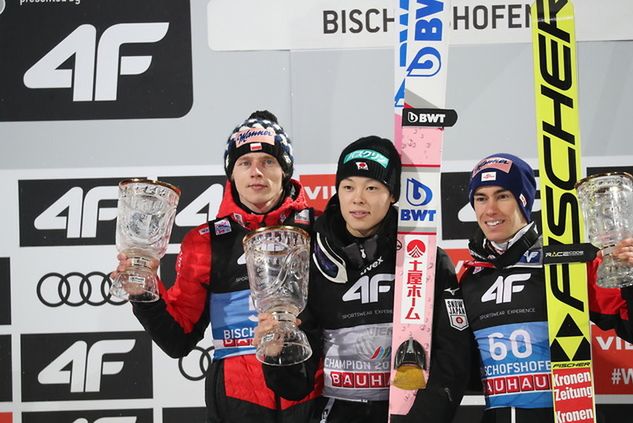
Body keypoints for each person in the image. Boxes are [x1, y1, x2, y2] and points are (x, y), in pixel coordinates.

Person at [112, 110, 320, 422]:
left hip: (313, 397)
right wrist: (144, 294)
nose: (256, 172)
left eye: (268, 161)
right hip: (238, 403)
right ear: (231, 173)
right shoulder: (205, 241)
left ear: (285, 171)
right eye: (244, 163)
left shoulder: (320, 229)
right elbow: (177, 338)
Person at [255, 136, 471, 423]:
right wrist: (278, 356)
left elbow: (453, 359)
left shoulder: (426, 258)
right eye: (348, 187)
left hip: (408, 413)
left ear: (393, 194)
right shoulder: (309, 259)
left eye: (371, 187)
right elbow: (296, 386)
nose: (358, 198)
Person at [460, 152, 633, 423]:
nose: (490, 209)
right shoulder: (469, 276)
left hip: (562, 414)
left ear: (524, 200)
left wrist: (630, 279)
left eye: (502, 195)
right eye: (481, 198)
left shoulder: (567, 263)